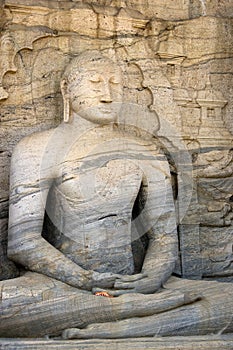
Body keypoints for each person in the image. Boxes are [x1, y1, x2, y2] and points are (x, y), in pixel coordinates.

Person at [1, 50, 232, 339]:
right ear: (66, 89)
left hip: (134, 284)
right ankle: (140, 313)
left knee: (229, 302)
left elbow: (163, 237)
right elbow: (23, 242)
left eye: (116, 84)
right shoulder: (36, 149)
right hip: (62, 285)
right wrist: (85, 279)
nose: (108, 95)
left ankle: (123, 319)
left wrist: (150, 279)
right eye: (95, 83)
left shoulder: (145, 151)